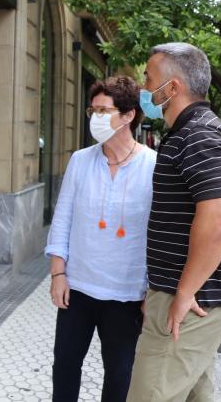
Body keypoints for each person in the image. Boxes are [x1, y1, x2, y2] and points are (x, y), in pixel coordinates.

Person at [127, 43, 221, 402]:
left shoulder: (201, 136)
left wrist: (182, 293)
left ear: (173, 88)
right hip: (183, 294)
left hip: (191, 300)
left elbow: (219, 219)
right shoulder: (186, 134)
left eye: (148, 78)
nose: (143, 87)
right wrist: (162, 289)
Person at [46, 76, 157, 402]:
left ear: (128, 115)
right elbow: (62, 218)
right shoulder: (81, 160)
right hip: (77, 289)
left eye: (104, 110)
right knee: (65, 367)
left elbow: (157, 233)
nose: (95, 118)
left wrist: (152, 290)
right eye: (92, 110)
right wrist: (58, 273)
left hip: (127, 294)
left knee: (120, 374)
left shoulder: (154, 166)